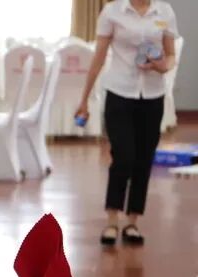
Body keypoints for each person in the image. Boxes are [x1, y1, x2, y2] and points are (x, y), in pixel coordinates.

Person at [76, 0, 177, 246]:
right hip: (119, 93)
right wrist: (84, 100)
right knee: (123, 156)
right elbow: (99, 58)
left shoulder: (164, 11)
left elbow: (171, 55)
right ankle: (112, 220)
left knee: (144, 159)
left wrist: (163, 66)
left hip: (152, 96)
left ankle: (132, 222)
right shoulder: (112, 12)